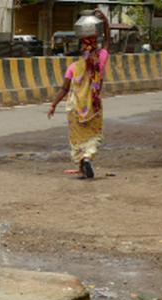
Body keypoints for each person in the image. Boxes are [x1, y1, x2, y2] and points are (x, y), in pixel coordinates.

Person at [47, 9, 110, 179]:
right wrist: (105, 21)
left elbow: (64, 89)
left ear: (82, 48)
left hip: (74, 106)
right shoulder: (100, 62)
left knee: (77, 137)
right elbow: (107, 43)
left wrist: (53, 104)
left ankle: (82, 166)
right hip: (93, 105)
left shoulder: (73, 67)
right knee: (93, 134)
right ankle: (88, 157)